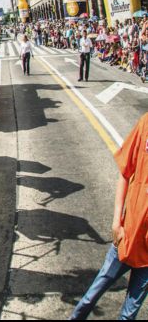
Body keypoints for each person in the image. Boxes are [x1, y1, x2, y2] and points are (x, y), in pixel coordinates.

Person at [71, 113, 148, 320]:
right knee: (90, 297)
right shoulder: (145, 124)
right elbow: (125, 173)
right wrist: (116, 222)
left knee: (129, 315)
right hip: (127, 236)